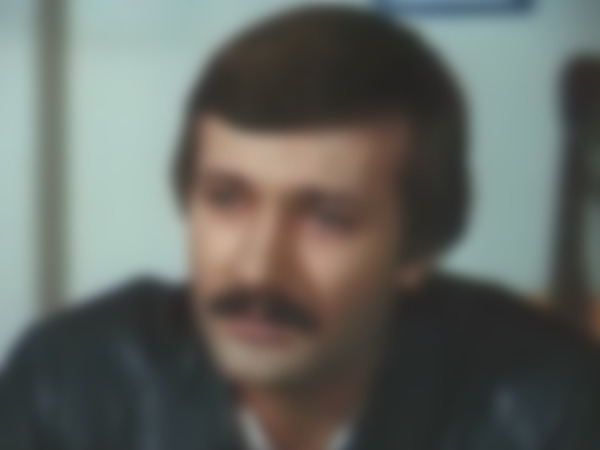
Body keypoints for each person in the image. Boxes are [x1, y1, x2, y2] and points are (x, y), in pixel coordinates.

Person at [1, 5, 599, 450]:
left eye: (327, 218)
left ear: (418, 250)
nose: (258, 267)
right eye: (227, 200)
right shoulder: (68, 385)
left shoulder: (548, 409)